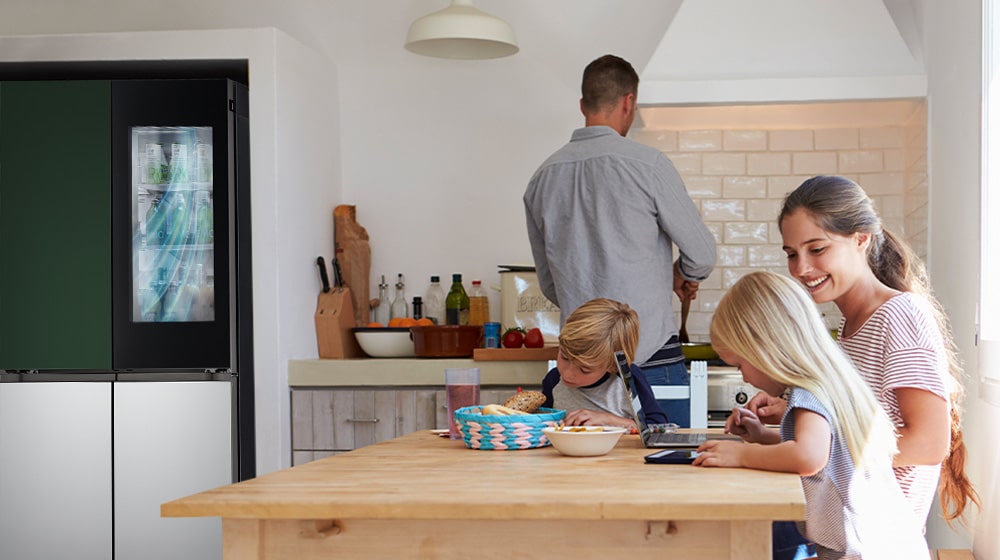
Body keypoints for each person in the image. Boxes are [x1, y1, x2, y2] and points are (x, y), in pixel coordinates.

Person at [743, 175, 980, 528]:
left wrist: (812, 448)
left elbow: (928, 443)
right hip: (846, 536)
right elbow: (860, 432)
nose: (801, 269)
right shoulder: (851, 328)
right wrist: (782, 429)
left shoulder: (900, 316)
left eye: (817, 249)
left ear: (861, 240)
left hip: (877, 542)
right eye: (792, 254)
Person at [524, 54, 716, 426]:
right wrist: (679, 272)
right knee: (662, 469)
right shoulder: (648, 165)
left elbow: (550, 286)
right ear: (629, 102)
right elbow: (702, 256)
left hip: (578, 369)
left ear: (582, 105)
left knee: (570, 475)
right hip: (651, 360)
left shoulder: (541, 178)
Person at [695, 271, 929, 559]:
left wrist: (740, 455)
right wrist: (762, 437)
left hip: (861, 551)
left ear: (766, 350)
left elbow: (808, 457)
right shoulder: (828, 381)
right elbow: (827, 452)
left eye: (740, 364)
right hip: (881, 545)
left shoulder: (809, 392)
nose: (742, 375)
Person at [540, 298, 667, 429]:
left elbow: (659, 428)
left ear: (612, 366)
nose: (567, 373)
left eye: (584, 369)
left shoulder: (628, 379)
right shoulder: (553, 380)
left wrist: (610, 420)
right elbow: (540, 425)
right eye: (565, 357)